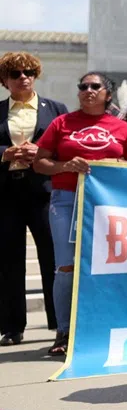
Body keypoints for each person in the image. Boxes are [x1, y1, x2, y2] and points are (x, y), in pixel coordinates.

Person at [33, 72, 127, 355]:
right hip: (67, 199)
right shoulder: (62, 123)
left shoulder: (121, 127)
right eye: (83, 86)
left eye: (96, 87)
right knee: (66, 267)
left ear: (108, 94)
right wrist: (66, 166)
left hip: (108, 205)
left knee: (106, 266)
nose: (88, 91)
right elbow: (40, 162)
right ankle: (63, 332)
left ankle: (102, 328)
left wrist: (116, 163)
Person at [0, 52, 67, 347]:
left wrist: (38, 150)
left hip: (43, 191)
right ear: (5, 81)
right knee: (8, 260)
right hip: (5, 193)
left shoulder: (56, 108)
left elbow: (65, 144)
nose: (23, 77)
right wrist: (5, 153)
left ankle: (59, 324)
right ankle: (12, 327)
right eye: (15, 74)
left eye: (28, 72)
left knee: (51, 256)